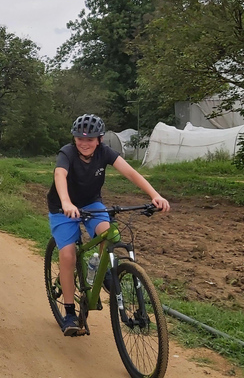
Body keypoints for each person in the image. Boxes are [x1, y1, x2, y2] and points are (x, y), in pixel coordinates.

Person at [47, 113, 170, 336]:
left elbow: (130, 172)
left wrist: (155, 195)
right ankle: (69, 313)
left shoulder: (105, 153)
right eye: (80, 138)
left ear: (99, 140)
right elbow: (59, 174)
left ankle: (105, 274)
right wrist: (65, 201)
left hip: (91, 204)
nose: (84, 143)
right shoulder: (67, 152)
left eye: (90, 139)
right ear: (74, 139)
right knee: (68, 255)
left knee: (110, 234)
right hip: (62, 208)